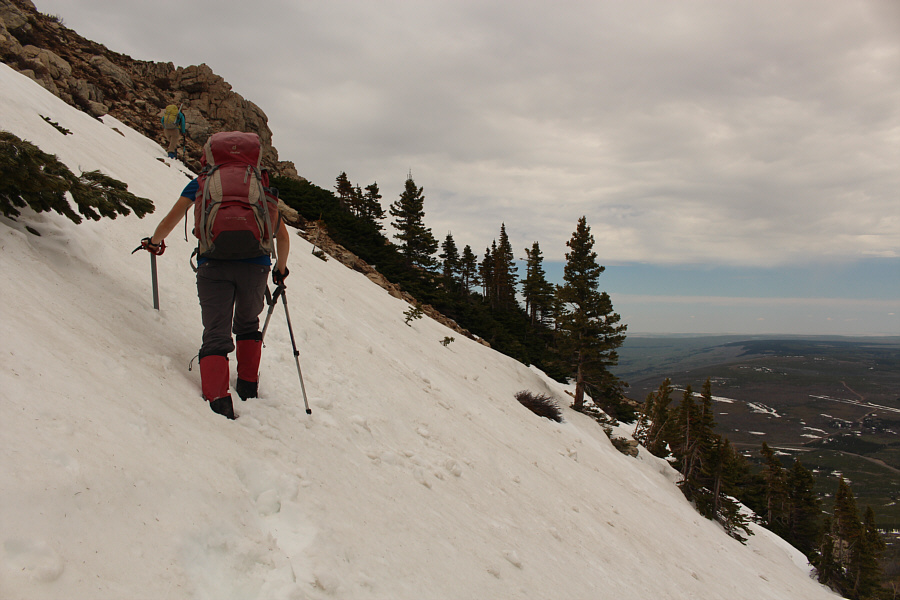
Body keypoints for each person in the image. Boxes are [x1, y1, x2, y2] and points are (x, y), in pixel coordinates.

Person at [139, 142, 291, 420]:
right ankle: (248, 387)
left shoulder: (202, 183)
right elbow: (281, 236)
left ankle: (218, 401)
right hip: (255, 267)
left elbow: (171, 219)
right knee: (248, 324)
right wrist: (280, 269)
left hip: (213, 265)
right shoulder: (259, 187)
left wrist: (155, 242)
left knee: (216, 332)